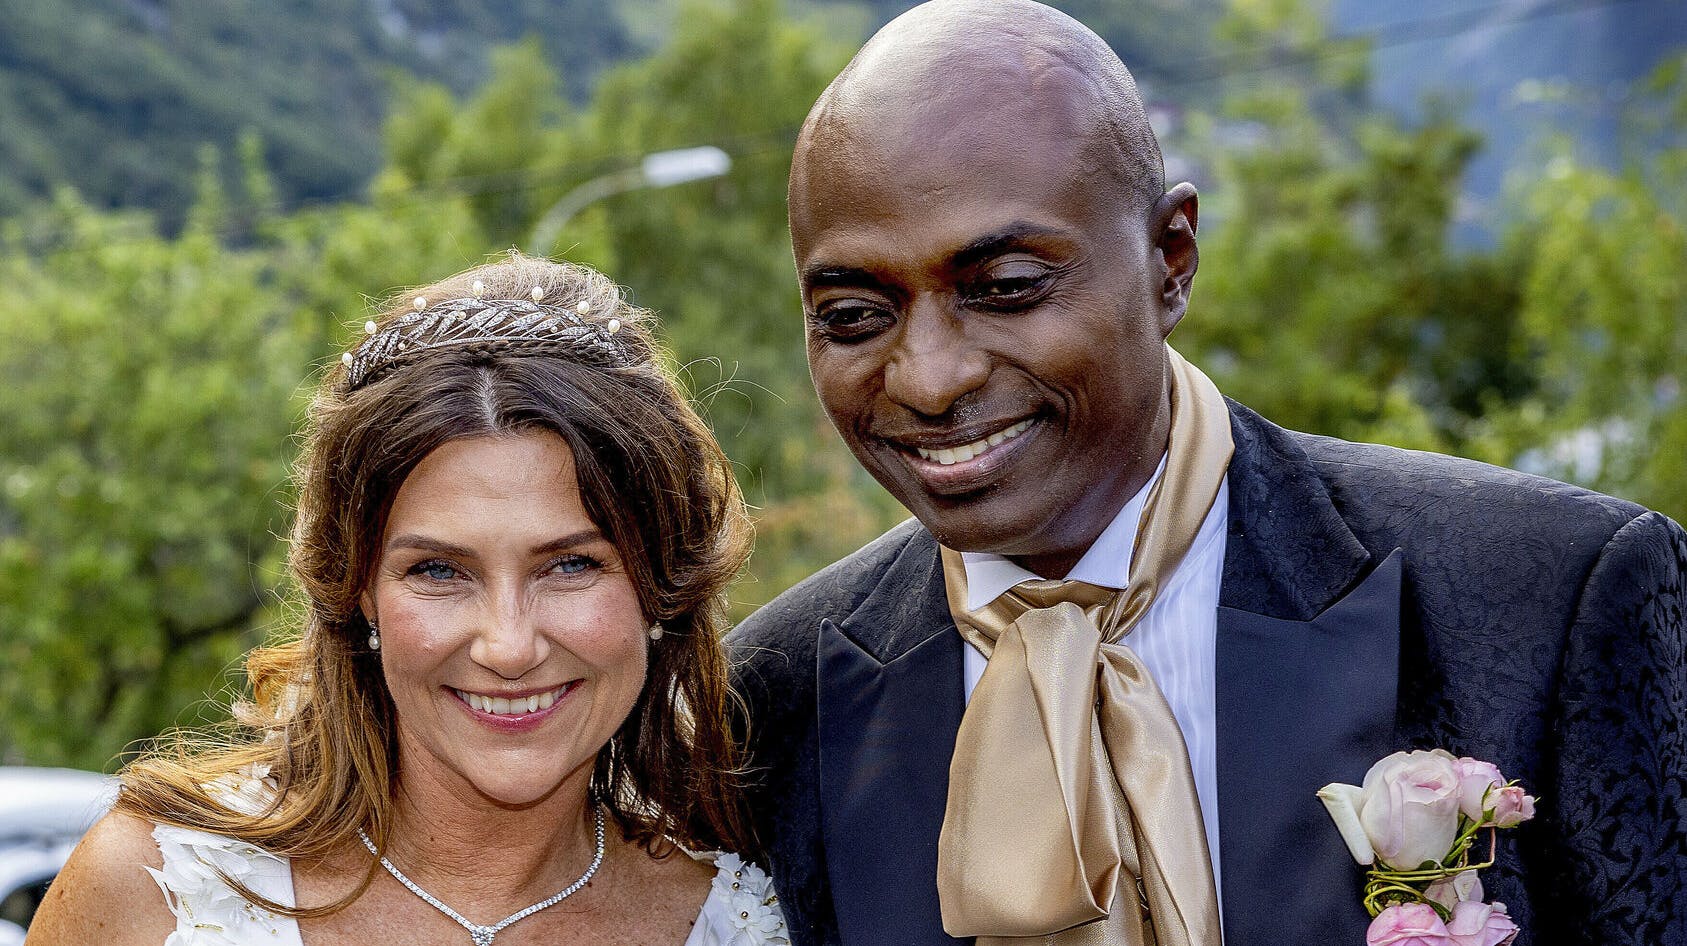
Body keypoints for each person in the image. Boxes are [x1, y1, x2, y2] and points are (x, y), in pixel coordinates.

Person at [728, 2, 1687, 945]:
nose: (931, 379)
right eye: (854, 315)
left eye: (1008, 289)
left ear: (1170, 261)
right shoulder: (768, 704)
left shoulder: (1554, 595)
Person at [29, 255, 789, 946]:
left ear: (662, 585)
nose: (508, 645)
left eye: (569, 565)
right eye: (437, 571)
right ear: (358, 590)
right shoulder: (152, 894)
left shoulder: (743, 920)